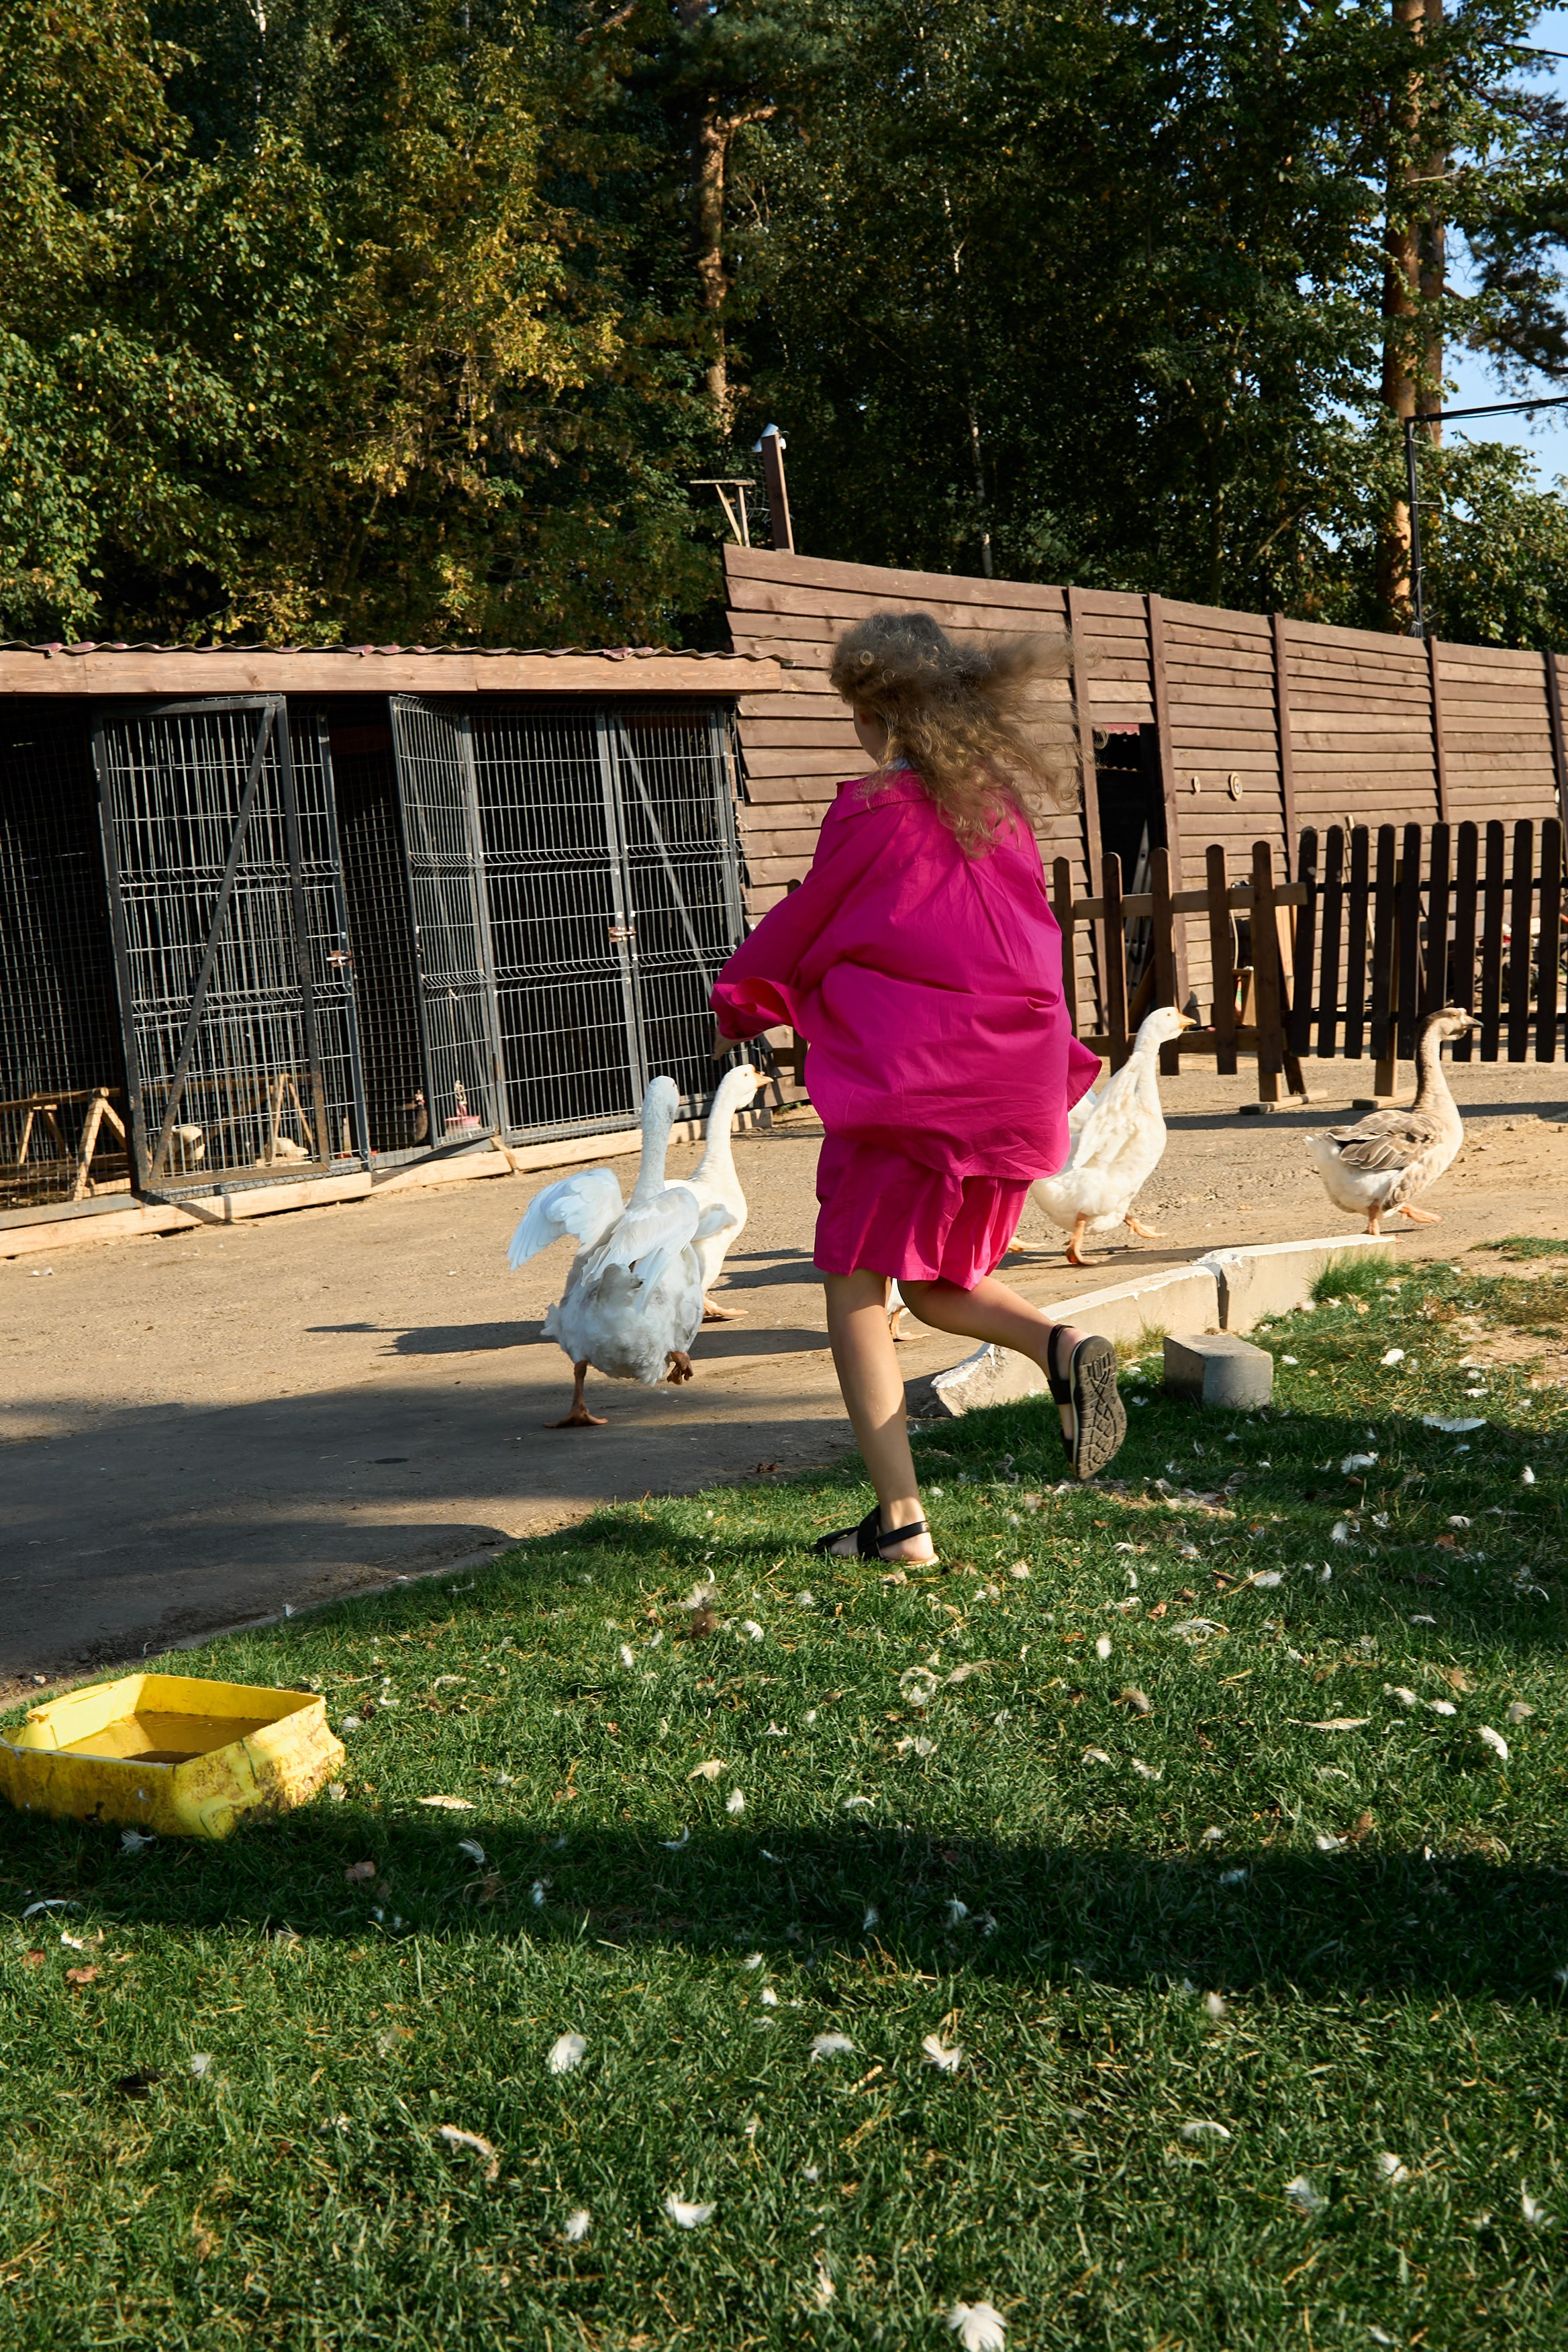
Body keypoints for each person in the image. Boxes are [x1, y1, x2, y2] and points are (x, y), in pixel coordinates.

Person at [709, 609, 1124, 1568]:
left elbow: (811, 919)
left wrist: (740, 999)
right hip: (1014, 1078)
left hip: (920, 1083)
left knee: (854, 1283)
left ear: (875, 711)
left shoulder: (869, 811)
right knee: (939, 1284)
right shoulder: (999, 812)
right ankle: (1061, 1346)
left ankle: (899, 1523)